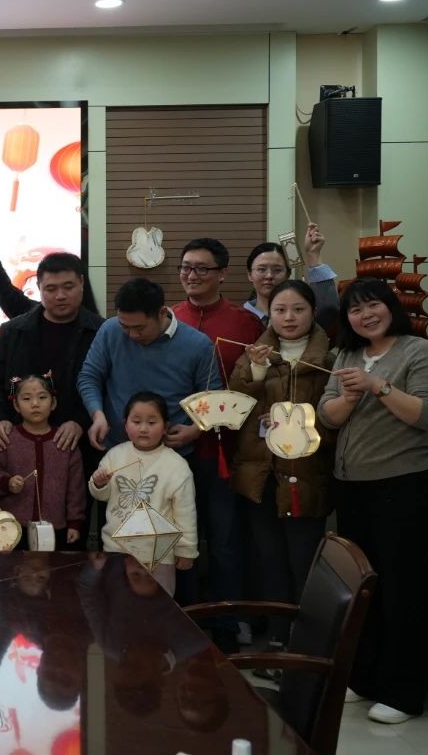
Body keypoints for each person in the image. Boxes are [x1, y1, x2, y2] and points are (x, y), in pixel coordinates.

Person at [317, 278, 428, 724]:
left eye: (373, 305)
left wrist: (378, 386)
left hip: (402, 487)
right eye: (355, 310)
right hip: (352, 487)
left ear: (391, 306)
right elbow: (327, 415)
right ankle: (365, 677)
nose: (365, 315)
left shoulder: (421, 352)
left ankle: (404, 692)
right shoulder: (347, 355)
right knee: (364, 587)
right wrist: (349, 396)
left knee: (403, 590)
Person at [228, 280, 335, 649]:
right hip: (261, 473)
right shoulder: (254, 354)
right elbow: (234, 407)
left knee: (305, 560)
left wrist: (299, 425)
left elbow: (335, 419)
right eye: (280, 310)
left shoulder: (329, 360)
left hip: (306, 474)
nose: (289, 317)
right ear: (268, 313)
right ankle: (276, 639)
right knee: (268, 560)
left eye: (298, 309)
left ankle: (307, 646)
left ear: (313, 312)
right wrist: (256, 372)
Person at [170, 238, 262, 647]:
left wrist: (202, 428)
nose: (192, 275)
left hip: (223, 452)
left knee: (225, 540)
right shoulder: (169, 318)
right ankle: (183, 618)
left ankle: (227, 623)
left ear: (223, 274)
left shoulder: (245, 323)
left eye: (202, 268)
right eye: (186, 267)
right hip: (173, 453)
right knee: (180, 538)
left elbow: (252, 390)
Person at [78, 278, 216, 454]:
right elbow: (89, 376)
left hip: (172, 452)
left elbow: (211, 395)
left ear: (162, 313)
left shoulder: (198, 345)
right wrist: (97, 414)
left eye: (140, 328)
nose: (132, 335)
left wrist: (195, 430)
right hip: (116, 450)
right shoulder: (110, 330)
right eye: (124, 326)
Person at [0, 252, 104, 460]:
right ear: (39, 287)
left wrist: (81, 421)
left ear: (82, 283)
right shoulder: (12, 332)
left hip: (81, 446)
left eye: (68, 287)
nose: (60, 296)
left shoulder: (101, 332)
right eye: (51, 289)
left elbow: (107, 384)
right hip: (18, 443)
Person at [89, 392, 198, 594]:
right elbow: (101, 495)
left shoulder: (176, 465)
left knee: (159, 604)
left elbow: (185, 513)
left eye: (152, 422)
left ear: (165, 427)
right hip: (116, 550)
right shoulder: (115, 455)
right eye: (136, 421)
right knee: (117, 601)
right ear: (125, 425)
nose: (143, 429)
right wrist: (99, 484)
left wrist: (186, 550)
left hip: (158, 554)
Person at [0, 374, 85, 551]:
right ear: (16, 405)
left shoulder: (65, 440)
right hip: (11, 528)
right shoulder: (6, 439)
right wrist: (7, 483)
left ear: (53, 403)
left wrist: (75, 522)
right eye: (26, 399)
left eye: (42, 397)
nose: (35, 404)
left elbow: (76, 487)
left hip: (55, 528)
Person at [242, 224, 338, 330]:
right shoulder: (239, 318)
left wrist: (313, 254)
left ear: (288, 274)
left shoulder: (301, 317)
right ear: (249, 275)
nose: (269, 276)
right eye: (261, 269)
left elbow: (328, 310)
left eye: (277, 270)